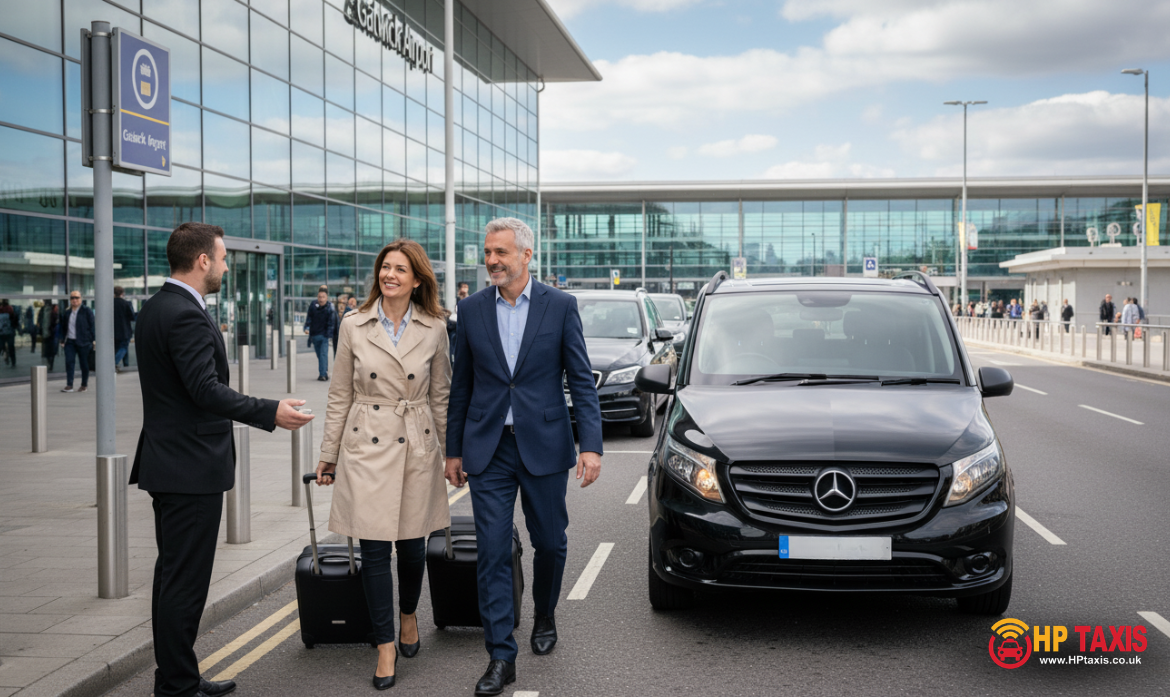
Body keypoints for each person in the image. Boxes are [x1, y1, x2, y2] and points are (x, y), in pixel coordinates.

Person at [131, 222, 313, 697]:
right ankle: (177, 685)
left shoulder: (157, 307)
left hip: (171, 462)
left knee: (173, 577)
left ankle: (175, 676)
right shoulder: (185, 314)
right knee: (184, 584)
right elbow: (204, 390)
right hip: (189, 468)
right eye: (224, 256)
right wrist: (270, 411)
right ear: (202, 260)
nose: (228, 265)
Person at [445, 218, 603, 696]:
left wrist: (591, 445)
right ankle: (500, 655)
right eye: (488, 252)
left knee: (550, 543)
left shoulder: (560, 306)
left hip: (546, 445)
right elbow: (462, 387)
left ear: (526, 255)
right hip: (488, 448)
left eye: (501, 253)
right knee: (491, 550)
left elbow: (580, 378)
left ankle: (546, 613)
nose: (492, 261)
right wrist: (453, 450)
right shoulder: (470, 310)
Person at [314, 239, 452, 690]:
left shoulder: (434, 327)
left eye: (400, 269)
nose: (389, 275)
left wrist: (452, 455)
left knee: (411, 548)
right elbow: (339, 394)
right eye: (385, 267)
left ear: (417, 280)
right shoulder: (354, 324)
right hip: (366, 443)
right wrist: (328, 455)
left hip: (416, 442)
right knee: (373, 551)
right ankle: (385, 645)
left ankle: (408, 613)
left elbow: (440, 397)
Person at [59, 291, 95, 391]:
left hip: (84, 342)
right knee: (69, 362)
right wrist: (62, 339)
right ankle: (69, 384)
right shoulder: (67, 312)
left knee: (84, 364)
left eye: (77, 298)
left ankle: (84, 385)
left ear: (81, 299)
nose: (74, 300)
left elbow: (92, 326)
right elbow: (63, 327)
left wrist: (94, 340)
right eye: (72, 298)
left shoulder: (86, 311)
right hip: (70, 342)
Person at [304, 287, 337, 381]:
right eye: (319, 297)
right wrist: (306, 328)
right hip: (314, 335)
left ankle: (322, 375)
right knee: (320, 355)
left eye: (323, 297)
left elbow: (332, 322)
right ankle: (324, 371)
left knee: (323, 354)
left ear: (327, 297)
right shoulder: (313, 305)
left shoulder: (330, 307)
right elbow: (309, 318)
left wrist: (329, 335)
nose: (321, 299)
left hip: (324, 336)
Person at [113, 286, 136, 372]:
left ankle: (125, 365)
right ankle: (114, 363)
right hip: (125, 330)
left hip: (114, 331)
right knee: (124, 347)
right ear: (122, 293)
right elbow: (132, 317)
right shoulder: (126, 303)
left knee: (118, 348)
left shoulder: (110, 303)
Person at [39, 300, 59, 371]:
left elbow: (40, 321)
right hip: (51, 333)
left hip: (46, 333)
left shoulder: (43, 310)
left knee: (47, 349)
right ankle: (50, 363)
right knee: (51, 350)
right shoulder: (53, 312)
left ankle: (49, 363)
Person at [332, 293, 349, 357]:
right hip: (336, 335)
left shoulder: (348, 311)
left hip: (346, 336)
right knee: (336, 354)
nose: (342, 305)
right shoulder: (334, 311)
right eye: (340, 303)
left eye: (344, 303)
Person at [0, 298, 16, 368]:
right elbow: (14, 321)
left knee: (2, 347)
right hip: (9, 331)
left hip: (2, 332)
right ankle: (13, 361)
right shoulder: (10, 309)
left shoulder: (1, 309)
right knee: (11, 347)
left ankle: (7, 356)